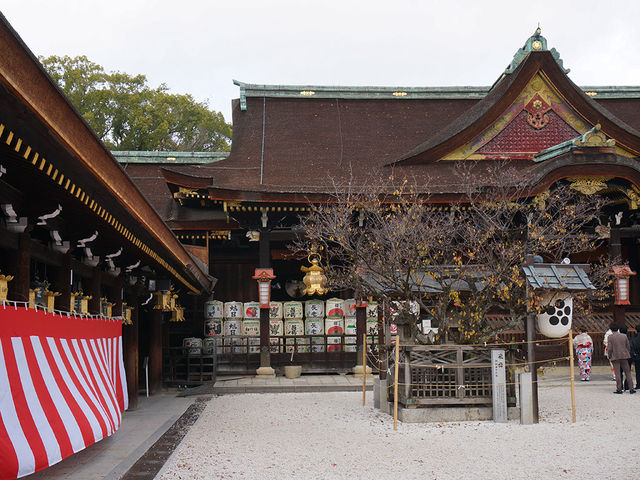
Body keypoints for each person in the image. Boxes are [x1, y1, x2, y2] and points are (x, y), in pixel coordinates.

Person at [607, 323, 635, 394]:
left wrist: (609, 355)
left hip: (615, 356)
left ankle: (619, 389)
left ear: (611, 329)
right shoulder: (624, 336)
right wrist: (627, 353)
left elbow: (610, 348)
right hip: (624, 356)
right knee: (627, 372)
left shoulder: (610, 337)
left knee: (617, 373)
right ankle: (631, 388)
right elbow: (628, 346)